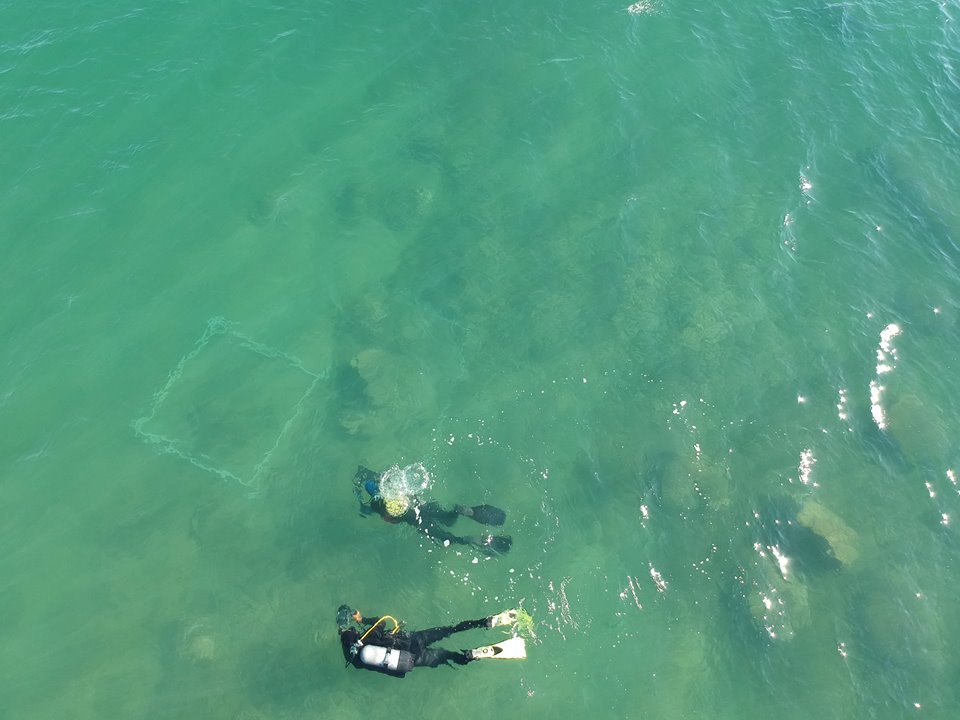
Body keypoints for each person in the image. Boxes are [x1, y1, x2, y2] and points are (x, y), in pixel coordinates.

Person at [353, 465, 513, 554]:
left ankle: (470, 540)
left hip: (420, 521)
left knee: (446, 538)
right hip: (423, 507)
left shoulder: (378, 506)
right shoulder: (389, 489)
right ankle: (464, 511)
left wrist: (363, 509)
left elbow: (385, 517)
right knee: (447, 516)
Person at [336, 604, 526, 677]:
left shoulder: (355, 660)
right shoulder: (366, 638)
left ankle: (471, 655)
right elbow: (382, 623)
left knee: (446, 656)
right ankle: (485, 622)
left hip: (411, 659)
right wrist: (361, 619)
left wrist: (346, 631)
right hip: (412, 640)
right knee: (449, 630)